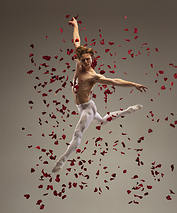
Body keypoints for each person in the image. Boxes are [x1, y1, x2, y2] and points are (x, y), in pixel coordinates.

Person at [52, 17, 148, 173]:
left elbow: (115, 81)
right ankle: (128, 110)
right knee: (102, 121)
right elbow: (76, 42)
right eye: (83, 60)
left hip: (87, 108)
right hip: (80, 106)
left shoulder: (93, 76)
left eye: (88, 60)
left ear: (92, 59)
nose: (86, 62)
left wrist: (133, 84)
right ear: (80, 59)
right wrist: (75, 25)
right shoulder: (79, 62)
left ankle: (62, 160)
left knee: (78, 133)